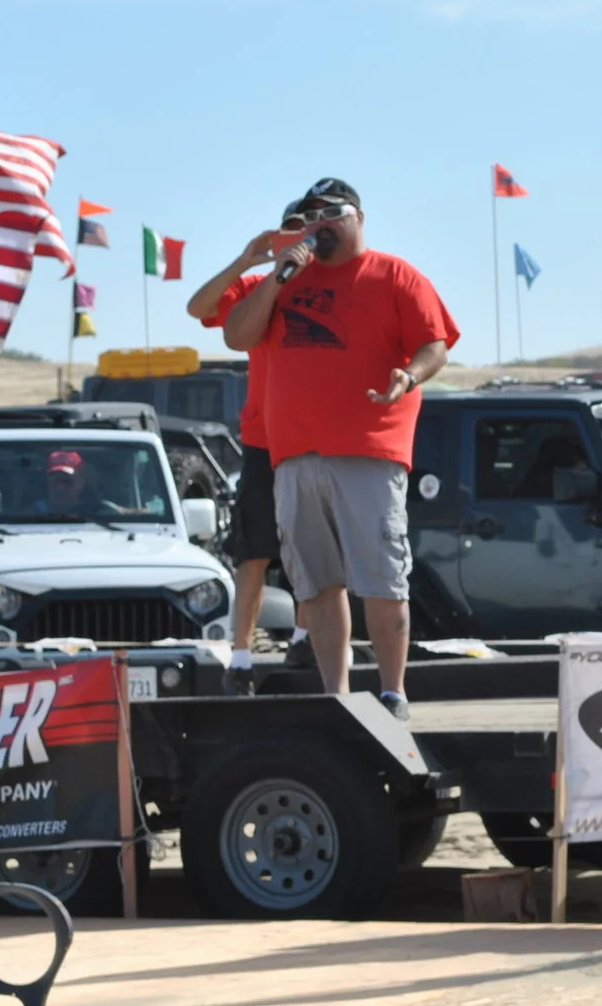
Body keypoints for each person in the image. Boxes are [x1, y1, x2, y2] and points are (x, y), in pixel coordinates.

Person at [221, 177, 458, 716]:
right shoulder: (285, 282)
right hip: (295, 458)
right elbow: (237, 335)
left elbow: (435, 343)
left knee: (381, 577)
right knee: (317, 585)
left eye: (329, 213)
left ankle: (393, 691)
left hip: (370, 452)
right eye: (308, 217)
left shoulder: (395, 275)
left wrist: (410, 375)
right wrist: (277, 280)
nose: (317, 225)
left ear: (358, 218)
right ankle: (339, 698)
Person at [189, 201, 308, 676]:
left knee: (310, 552)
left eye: (308, 232)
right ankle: (241, 657)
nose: (298, 239)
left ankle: (305, 639)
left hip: (316, 439)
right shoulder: (259, 287)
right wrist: (247, 260)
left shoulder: (336, 291)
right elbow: (199, 307)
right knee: (253, 551)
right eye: (290, 230)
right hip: (264, 439)